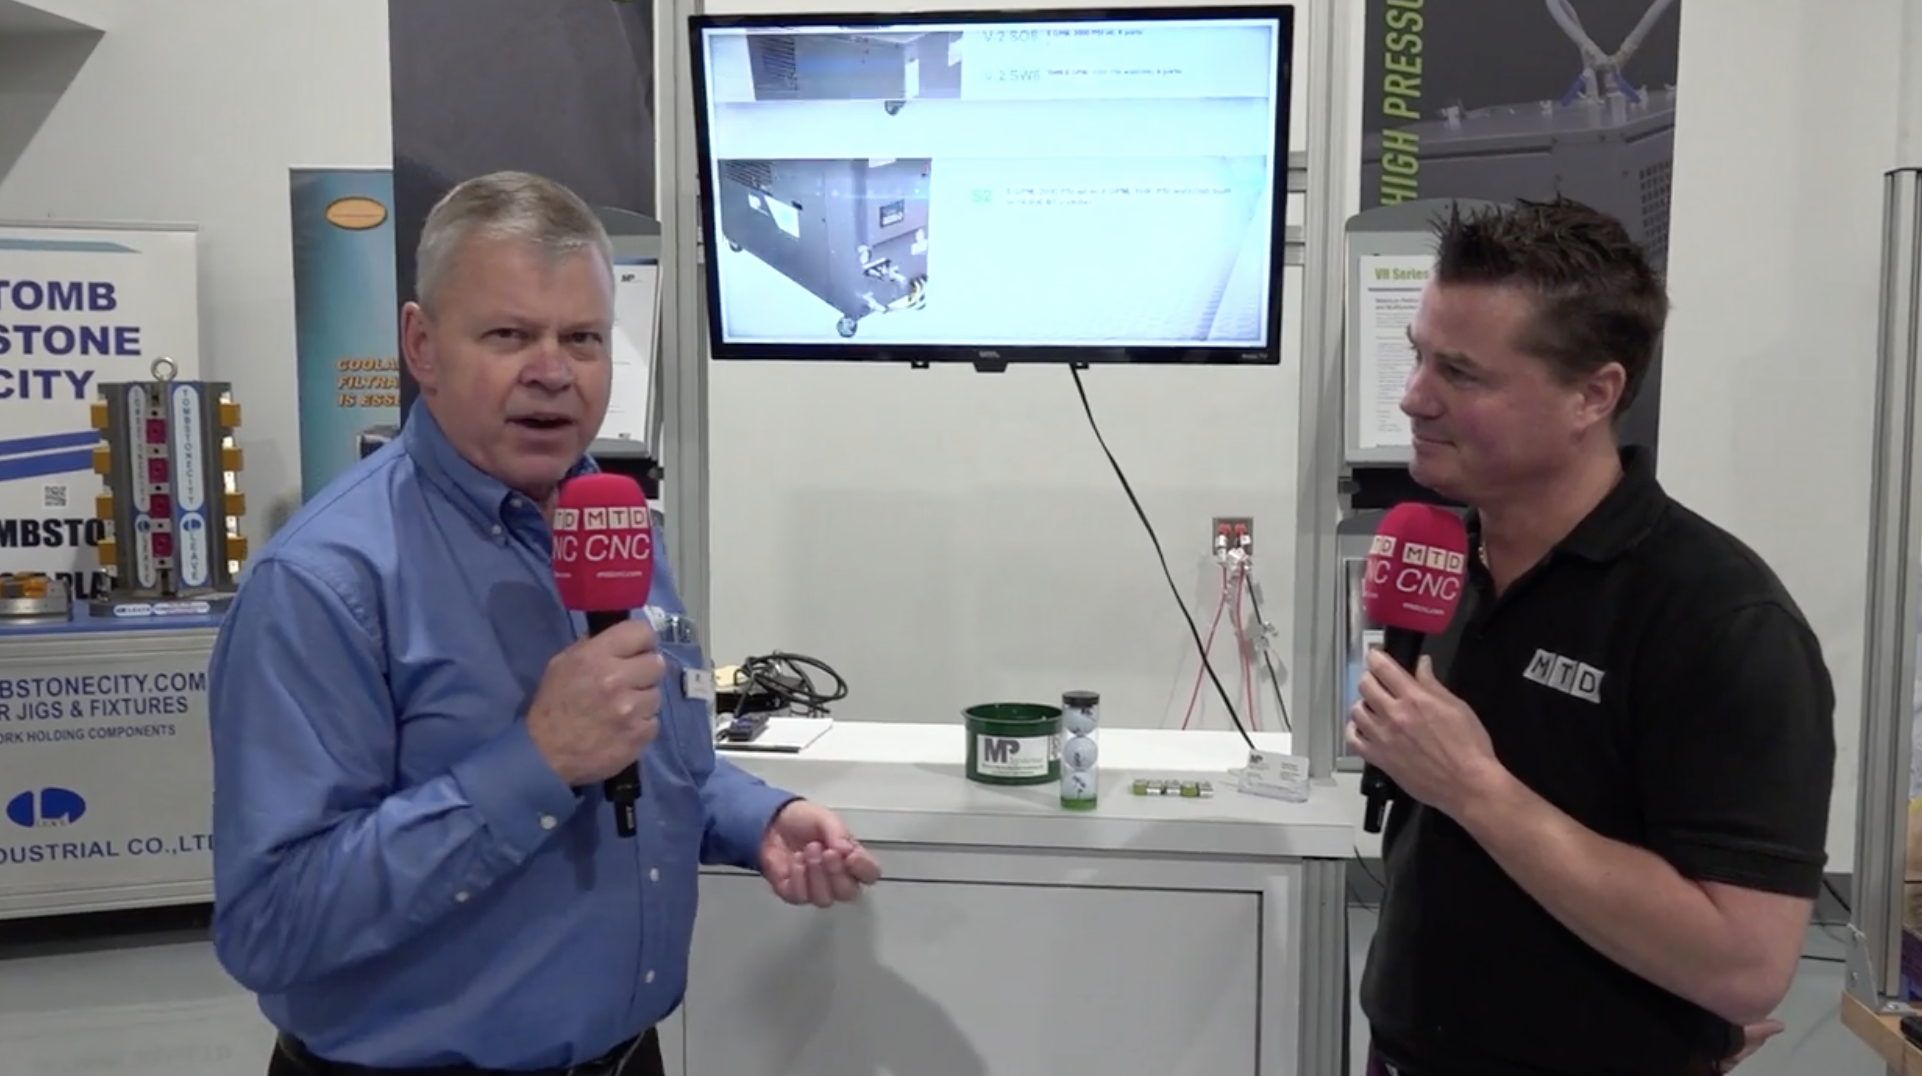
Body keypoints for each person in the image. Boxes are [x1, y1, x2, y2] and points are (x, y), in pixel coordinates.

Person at [207, 170, 882, 1076]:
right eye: (509, 335)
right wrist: (537, 761)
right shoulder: (324, 584)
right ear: (421, 345)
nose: (554, 371)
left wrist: (754, 817)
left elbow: (656, 762)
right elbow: (272, 923)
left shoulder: (614, 520)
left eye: (583, 338)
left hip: (627, 1056)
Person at [1347, 197, 1835, 1076]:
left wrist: (1474, 787)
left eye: (1461, 373)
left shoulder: (1719, 621)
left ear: (1592, 394)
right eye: (1419, 355)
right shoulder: (1445, 561)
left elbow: (1745, 966)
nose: (1413, 396)